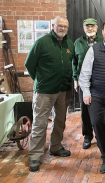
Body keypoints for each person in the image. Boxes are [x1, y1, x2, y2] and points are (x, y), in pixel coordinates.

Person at [25, 16, 75, 172]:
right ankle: (35, 155)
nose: (62, 29)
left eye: (65, 27)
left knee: (60, 121)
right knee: (40, 123)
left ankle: (55, 146)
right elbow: (29, 64)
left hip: (63, 90)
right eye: (60, 26)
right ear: (53, 25)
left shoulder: (69, 44)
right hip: (44, 91)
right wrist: (41, 80)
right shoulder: (42, 42)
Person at [79, 18, 105, 174]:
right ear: (102, 31)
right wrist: (86, 92)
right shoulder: (94, 49)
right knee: (98, 123)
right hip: (97, 95)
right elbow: (84, 73)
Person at [72, 18, 103, 149]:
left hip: (100, 82)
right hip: (83, 82)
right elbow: (74, 62)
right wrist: (75, 79)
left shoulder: (103, 41)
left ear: (97, 28)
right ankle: (88, 136)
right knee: (85, 111)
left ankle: (101, 136)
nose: (90, 28)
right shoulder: (78, 43)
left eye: (92, 26)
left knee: (100, 111)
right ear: (84, 28)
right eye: (87, 26)